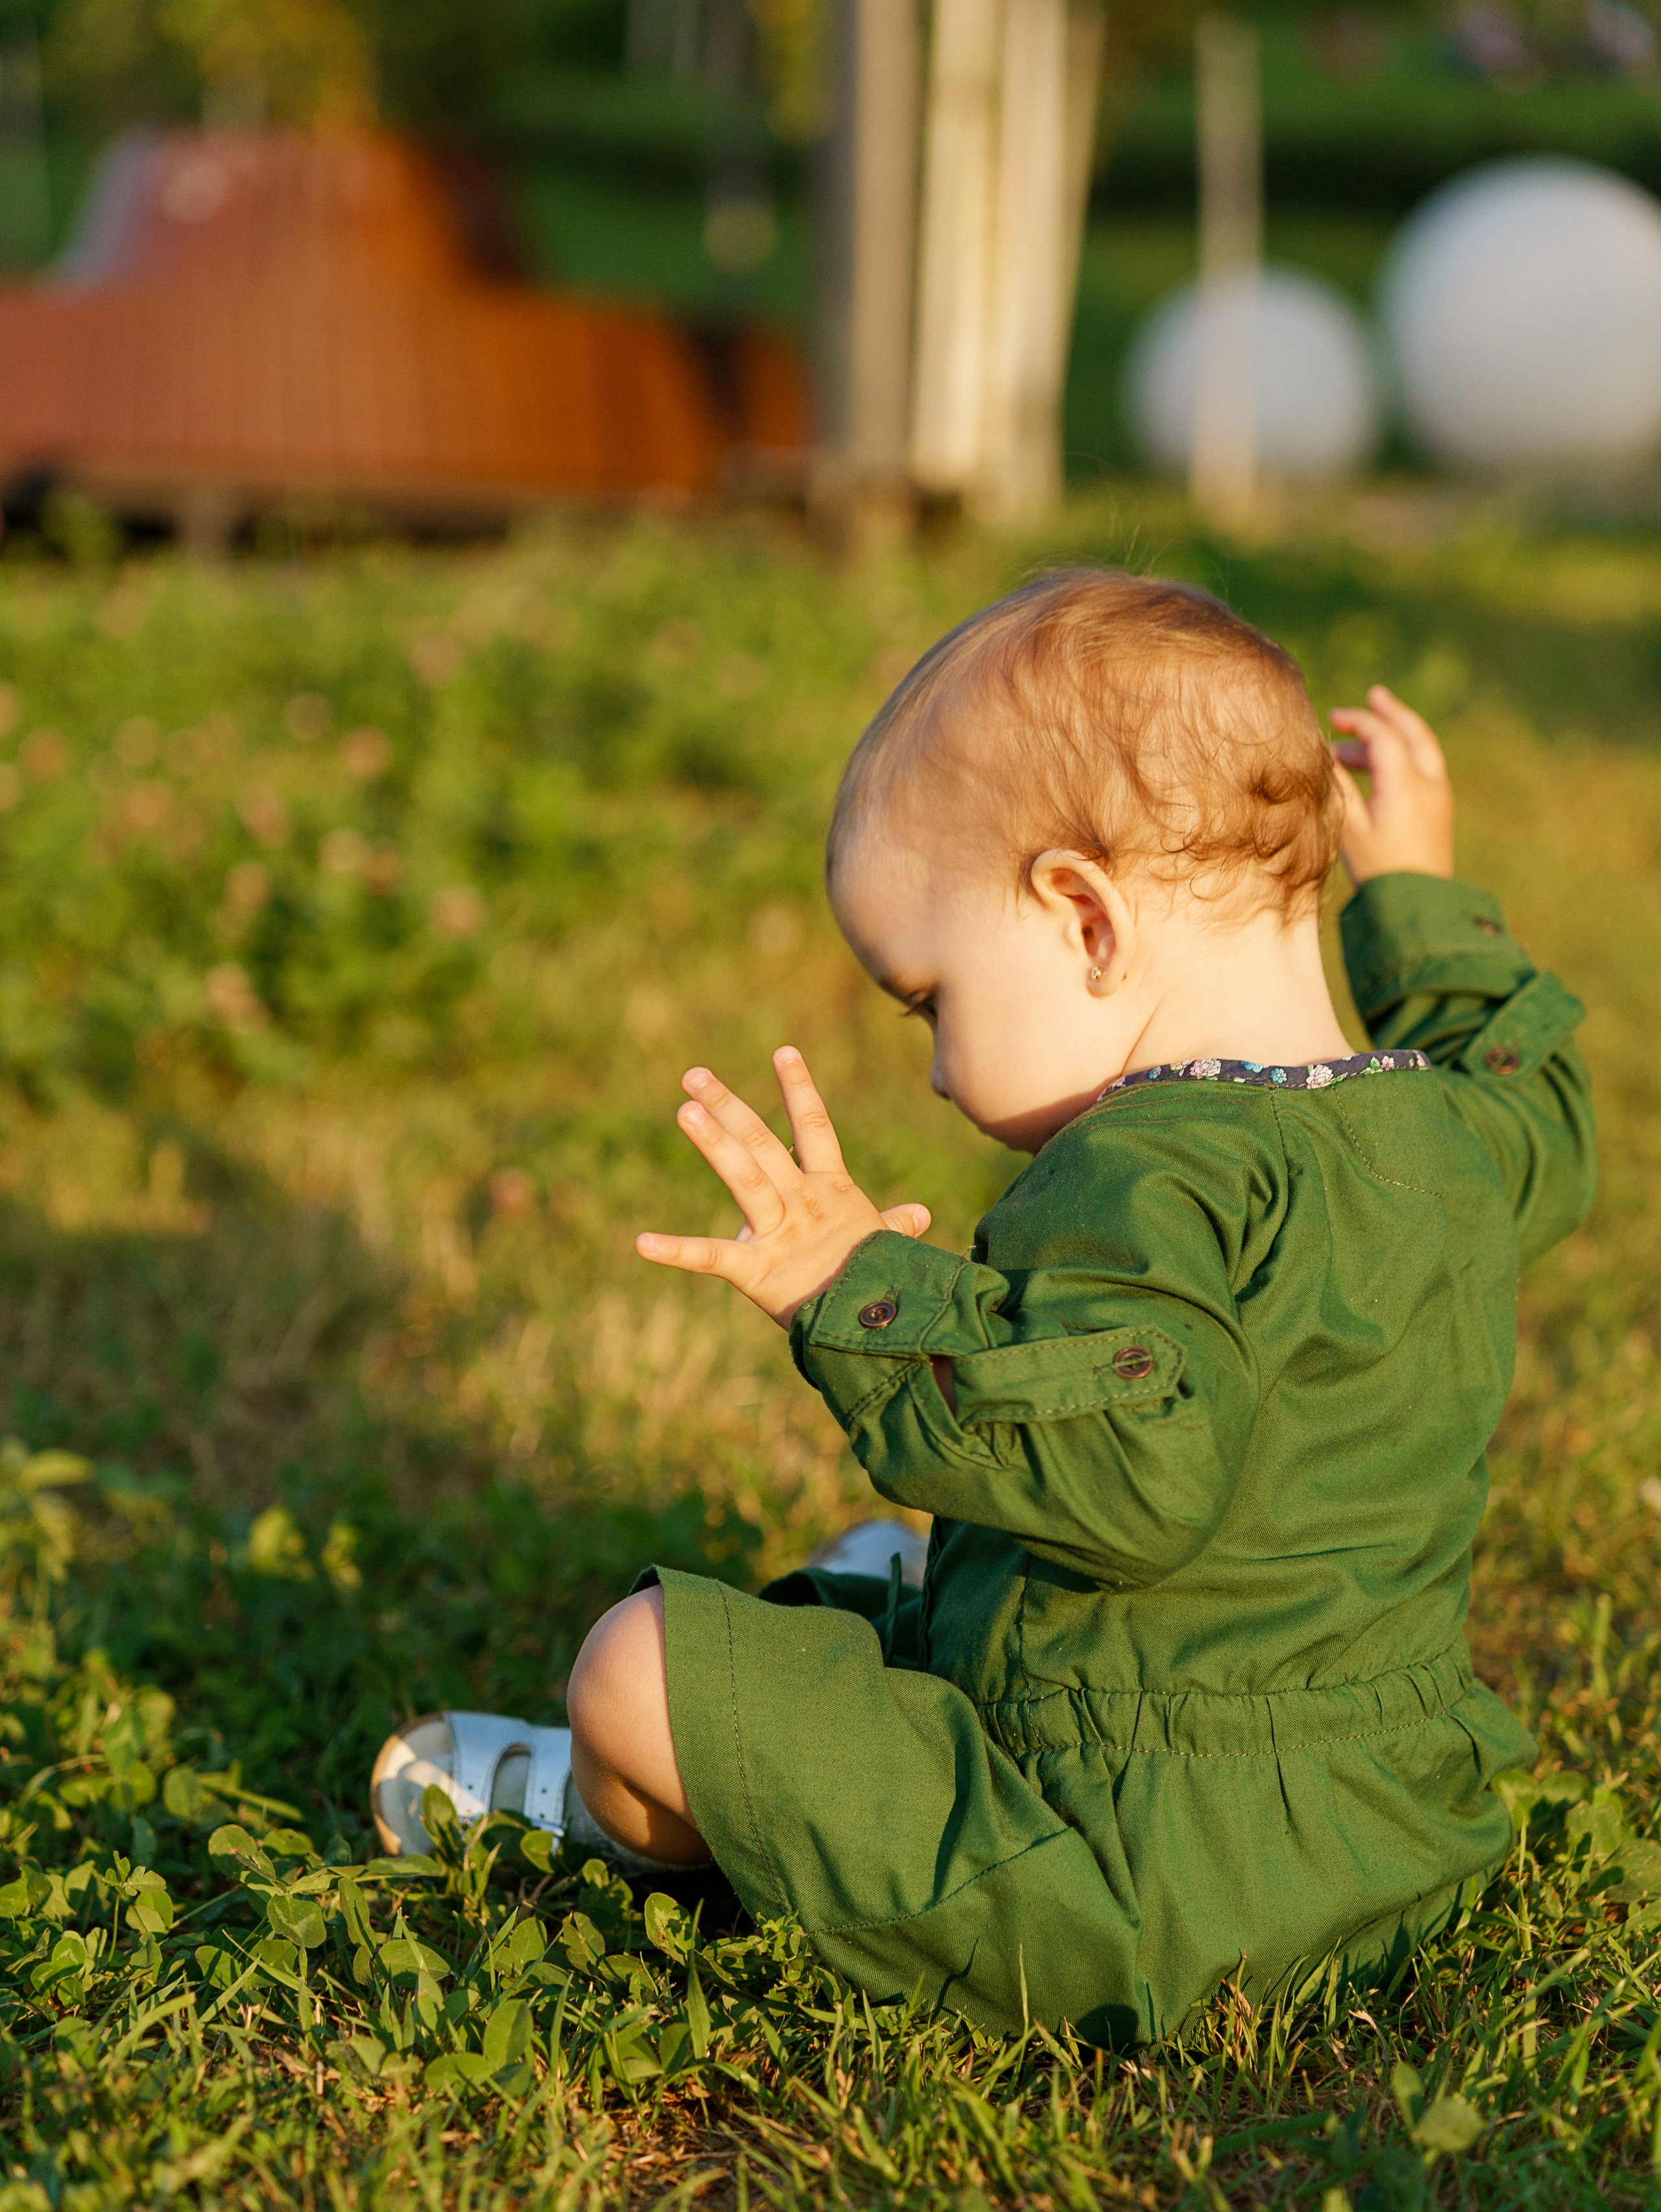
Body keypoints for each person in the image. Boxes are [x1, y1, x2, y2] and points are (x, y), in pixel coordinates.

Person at [370, 569, 1594, 2047]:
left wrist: (852, 1292)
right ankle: (909, 1607)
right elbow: (1543, 1103)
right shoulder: (1451, 1135)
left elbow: (1127, 1471)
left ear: (1083, 918)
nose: (941, 1072)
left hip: (1133, 1874)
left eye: (931, 999)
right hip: (1390, 1828)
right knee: (908, 1578)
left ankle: (626, 1827)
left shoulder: (1140, 1172)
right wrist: (1420, 900)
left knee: (635, 1671)